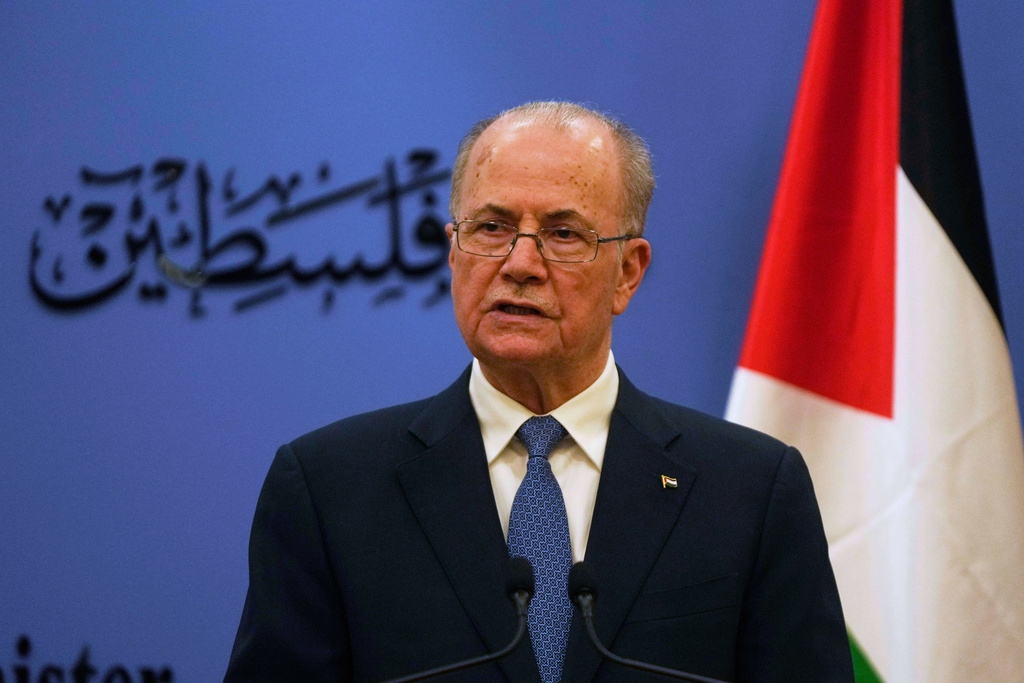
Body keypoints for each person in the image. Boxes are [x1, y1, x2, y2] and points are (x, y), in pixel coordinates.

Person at [224, 101, 854, 682]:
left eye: (564, 234)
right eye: (492, 227)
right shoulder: (330, 488)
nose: (520, 263)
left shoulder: (750, 490)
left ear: (627, 274)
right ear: (453, 252)